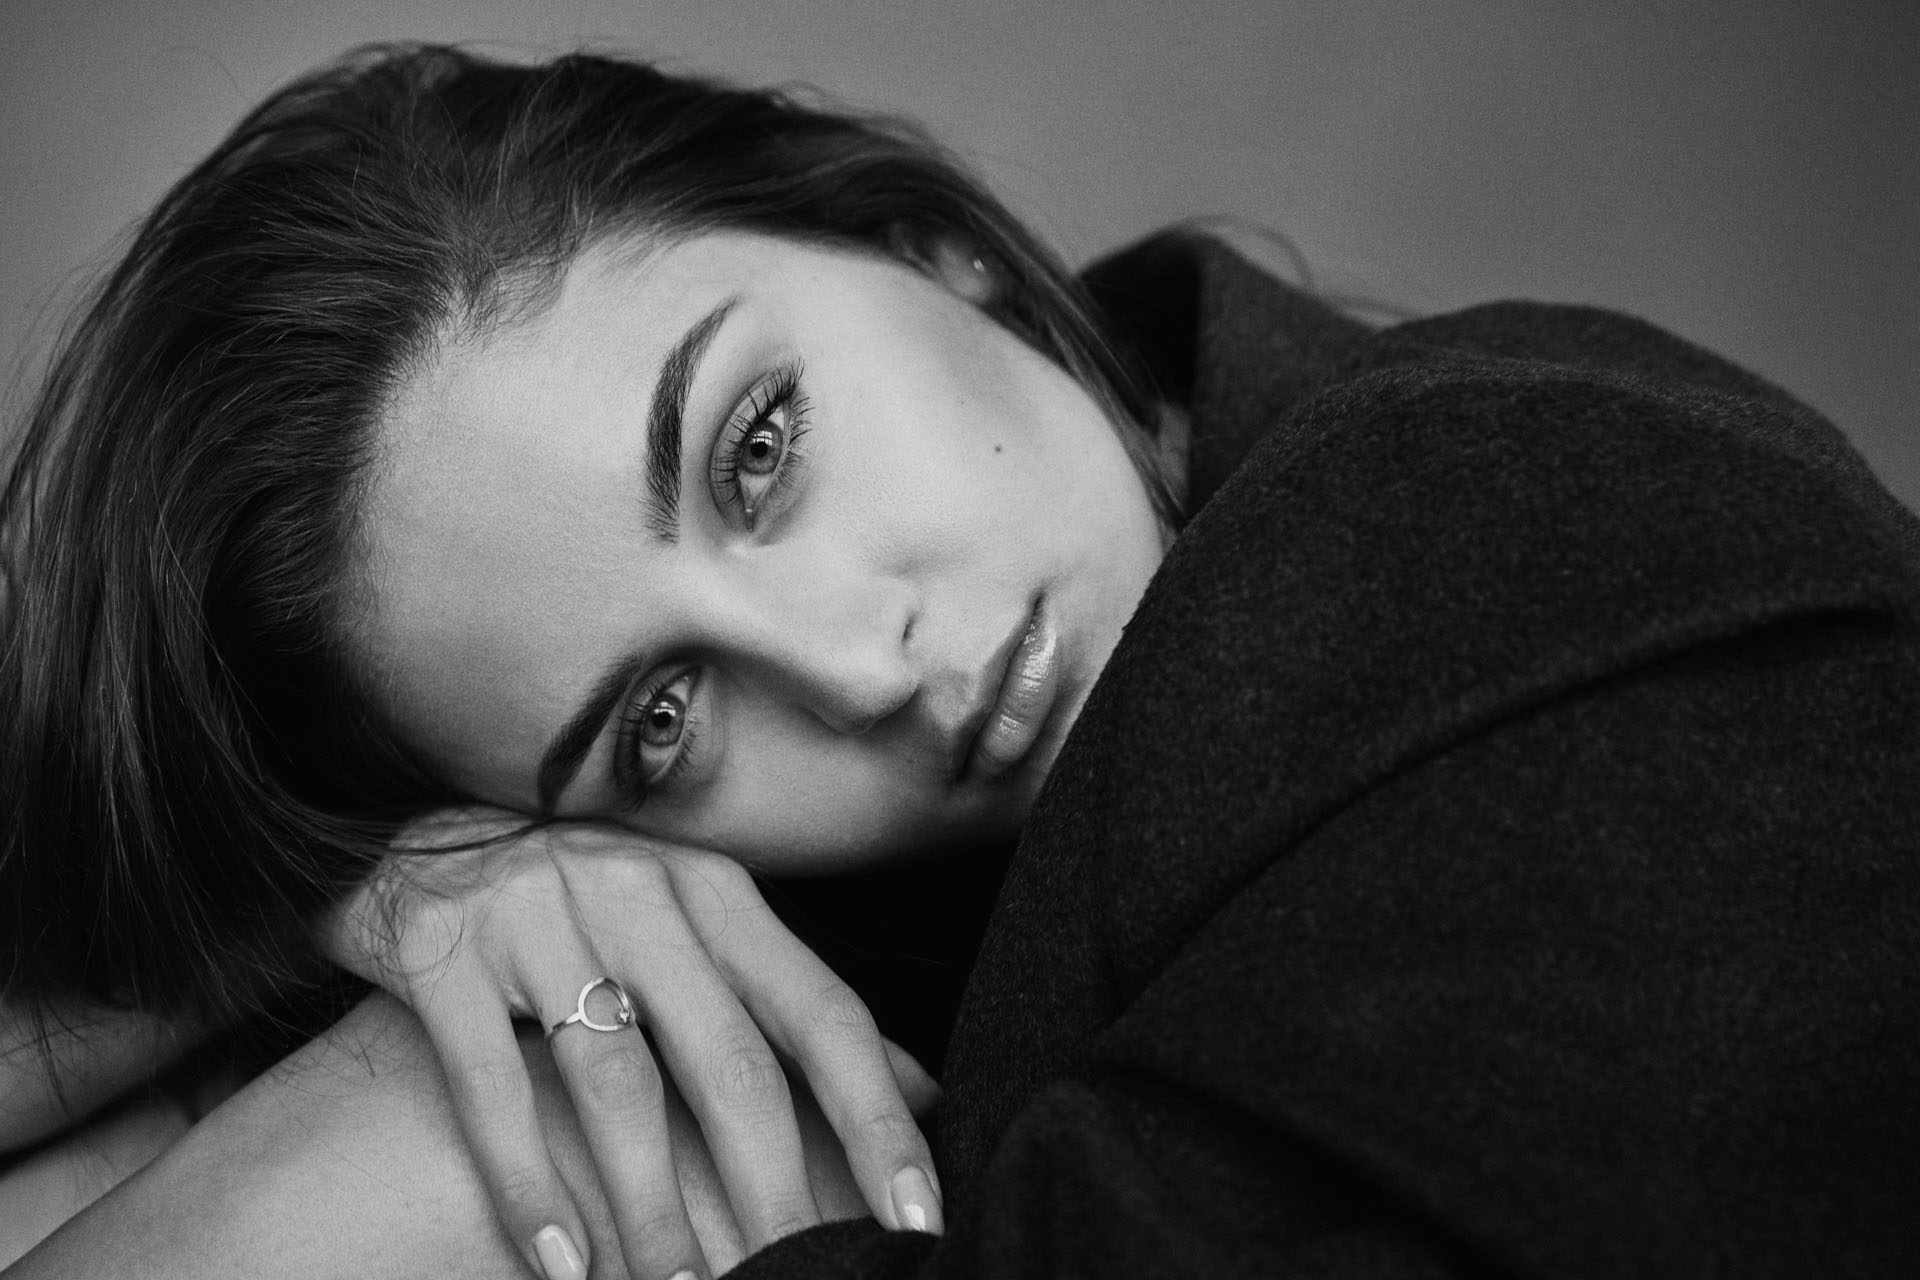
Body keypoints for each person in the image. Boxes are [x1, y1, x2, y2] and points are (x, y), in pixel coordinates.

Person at [6, 40, 1920, 1279]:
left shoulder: (1520, 496)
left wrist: (387, 1156)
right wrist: (385, 898)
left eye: (759, 448)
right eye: (661, 722)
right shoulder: (769, 939)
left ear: (928, 248)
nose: (857, 670)